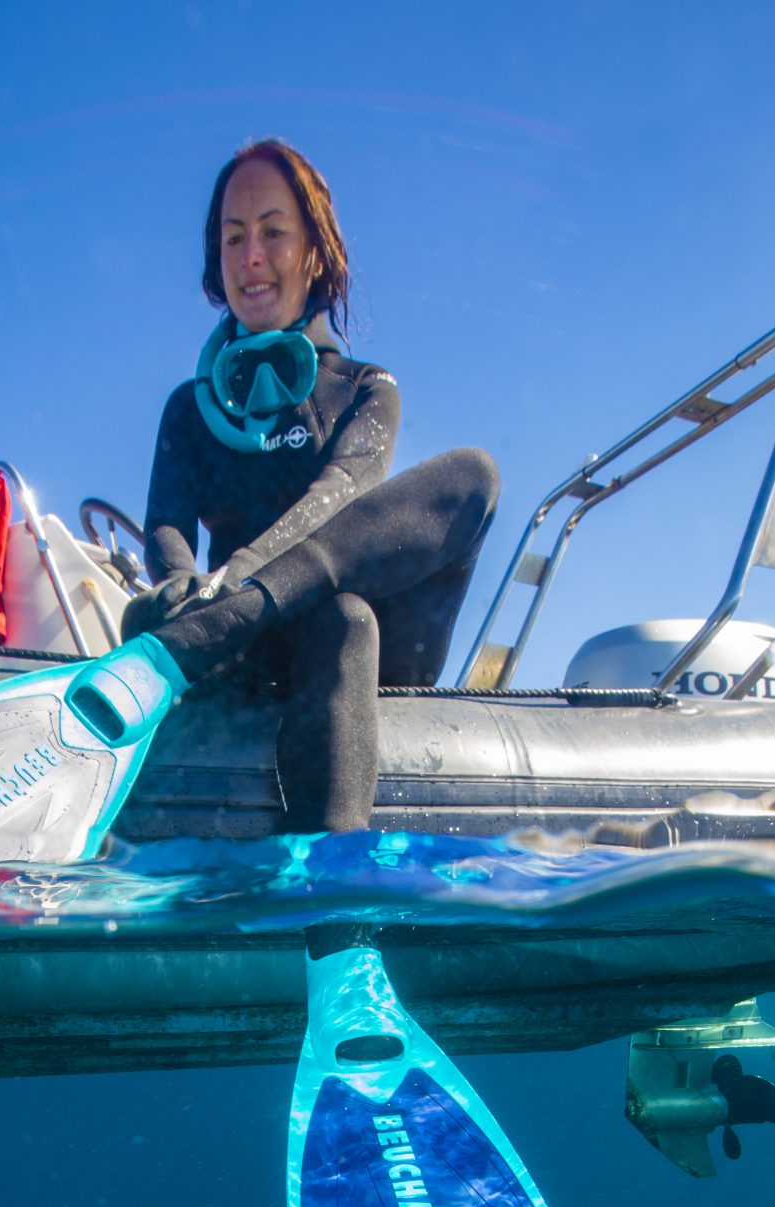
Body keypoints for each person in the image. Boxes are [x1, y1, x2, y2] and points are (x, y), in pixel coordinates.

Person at [122, 138, 501, 836]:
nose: (251, 257)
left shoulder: (365, 389)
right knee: (186, 608)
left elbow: (345, 490)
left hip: (361, 646)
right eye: (233, 238)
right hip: (244, 651)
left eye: (272, 233)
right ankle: (332, 921)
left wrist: (233, 588)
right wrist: (179, 584)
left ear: (314, 253)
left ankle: (335, 917)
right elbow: (166, 528)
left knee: (463, 486)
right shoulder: (188, 407)